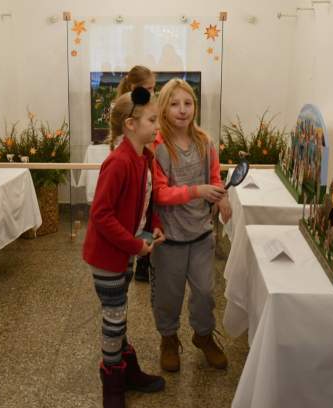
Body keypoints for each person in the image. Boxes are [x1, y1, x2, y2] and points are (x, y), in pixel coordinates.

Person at [82, 87, 166, 408]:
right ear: (131, 124)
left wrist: (152, 225)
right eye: (152, 120)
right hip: (108, 255)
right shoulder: (118, 162)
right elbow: (101, 214)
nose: (157, 126)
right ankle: (112, 382)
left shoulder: (144, 157)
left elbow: (146, 199)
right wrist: (134, 244)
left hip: (125, 250)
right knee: (114, 317)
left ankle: (126, 370)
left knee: (119, 311)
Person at [150, 78, 232, 372]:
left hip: (201, 234)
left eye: (187, 103)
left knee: (205, 293)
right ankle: (169, 339)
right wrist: (197, 191)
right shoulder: (158, 146)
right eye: (174, 104)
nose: (182, 110)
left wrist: (222, 197)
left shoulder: (204, 142)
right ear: (163, 108)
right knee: (168, 296)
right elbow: (159, 193)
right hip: (169, 239)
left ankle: (203, 335)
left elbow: (215, 177)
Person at [109, 65, 157, 282]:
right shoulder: (121, 159)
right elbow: (103, 214)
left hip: (129, 242)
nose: (152, 93)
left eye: (153, 88)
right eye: (147, 89)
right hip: (114, 253)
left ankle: (141, 261)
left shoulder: (139, 156)